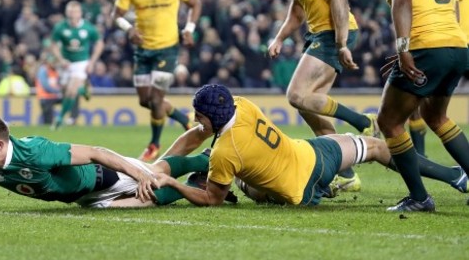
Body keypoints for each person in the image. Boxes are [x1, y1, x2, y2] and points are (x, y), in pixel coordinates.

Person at [154, 84, 467, 207]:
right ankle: (454, 176)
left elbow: (211, 200)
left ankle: (208, 172)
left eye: (200, 115)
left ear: (214, 116)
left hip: (299, 193)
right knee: (378, 148)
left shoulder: (225, 151)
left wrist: (169, 179)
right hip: (316, 156)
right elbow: (198, 132)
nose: (196, 120)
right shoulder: (242, 104)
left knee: (245, 182)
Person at [0, 115, 230, 209]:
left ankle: (205, 166)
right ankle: (198, 175)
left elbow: (98, 151)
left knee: (156, 179)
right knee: (153, 179)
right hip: (84, 197)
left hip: (107, 177)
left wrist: (139, 173)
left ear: (1, 144)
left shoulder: (36, 150)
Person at [263, 0, 379, 192]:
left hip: (334, 33)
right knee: (310, 107)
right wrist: (279, 37)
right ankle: (348, 174)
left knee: (296, 95)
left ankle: (364, 122)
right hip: (317, 34)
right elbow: (297, 7)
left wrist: (342, 41)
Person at [376, 0, 469, 212]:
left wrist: (405, 46)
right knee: (437, 117)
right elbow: (451, 8)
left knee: (389, 122)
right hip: (457, 46)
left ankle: (419, 198)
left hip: (427, 48)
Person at [112, 0, 202, 162]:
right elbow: (117, 15)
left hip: (167, 48)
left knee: (155, 98)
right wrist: (129, 29)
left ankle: (154, 144)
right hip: (143, 50)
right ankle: (185, 120)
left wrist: (189, 29)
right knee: (146, 101)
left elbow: (195, 4)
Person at [407, 0, 469, 158]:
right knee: (415, 105)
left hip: (464, 45)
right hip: (434, 45)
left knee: (433, 114)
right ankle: (421, 159)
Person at [50, 0, 104, 130]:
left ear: (80, 13)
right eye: (70, 12)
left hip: (81, 63)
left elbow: (100, 43)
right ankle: (83, 89)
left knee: (71, 91)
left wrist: (92, 62)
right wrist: (61, 60)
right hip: (66, 64)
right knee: (65, 91)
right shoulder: (60, 27)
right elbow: (53, 45)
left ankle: (60, 119)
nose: (72, 15)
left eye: (74, 12)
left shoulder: (88, 28)